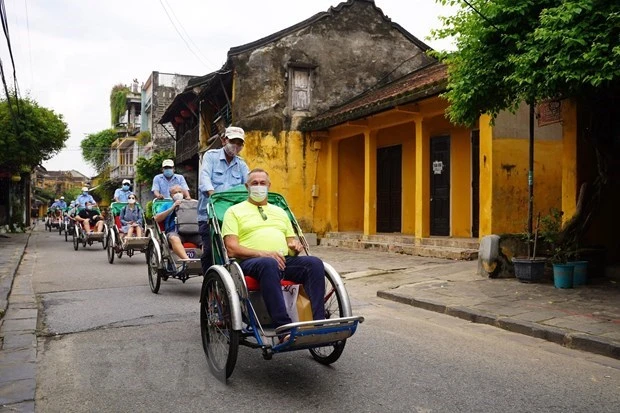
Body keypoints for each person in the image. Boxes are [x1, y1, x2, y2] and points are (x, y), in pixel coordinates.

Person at [222, 168, 325, 336]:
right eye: (254, 183)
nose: (259, 186)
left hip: (283, 260)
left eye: (263, 183)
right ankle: (284, 328)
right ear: (247, 187)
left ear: (269, 186)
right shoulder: (234, 212)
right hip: (250, 262)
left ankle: (319, 324)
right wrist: (263, 253)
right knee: (269, 263)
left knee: (314, 263)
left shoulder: (280, 212)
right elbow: (232, 248)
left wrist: (295, 248)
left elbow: (290, 242)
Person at [198, 126, 250, 274]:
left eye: (239, 143)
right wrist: (212, 193)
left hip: (233, 217)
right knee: (209, 251)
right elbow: (205, 177)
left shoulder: (241, 164)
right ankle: (208, 285)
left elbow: (249, 182)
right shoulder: (211, 156)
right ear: (223, 140)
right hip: (210, 215)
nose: (236, 145)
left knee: (235, 250)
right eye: (233, 141)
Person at [154, 185, 198, 260]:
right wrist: (173, 207)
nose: (178, 194)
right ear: (171, 195)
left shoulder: (191, 203)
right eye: (175, 193)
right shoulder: (167, 205)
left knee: (206, 240)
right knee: (174, 238)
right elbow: (157, 219)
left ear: (183, 193)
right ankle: (187, 260)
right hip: (174, 232)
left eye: (180, 192)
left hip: (193, 232)